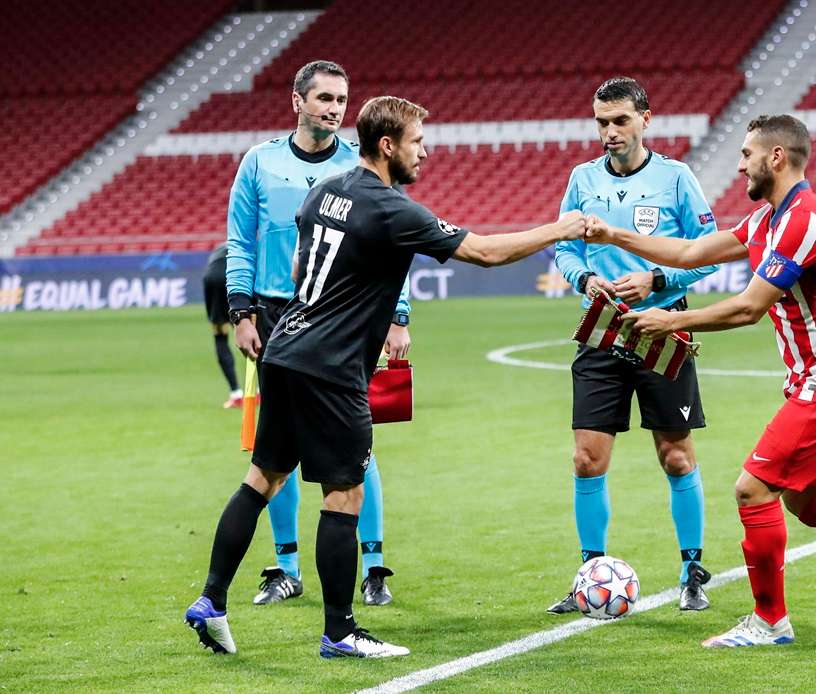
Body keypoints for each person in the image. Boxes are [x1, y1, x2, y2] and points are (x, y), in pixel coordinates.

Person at [184, 95, 587, 658]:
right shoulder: (393, 208)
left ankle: (211, 600)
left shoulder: (324, 190)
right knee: (343, 495)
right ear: (388, 145)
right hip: (332, 370)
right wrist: (561, 229)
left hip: (284, 350)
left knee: (263, 478)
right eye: (419, 142)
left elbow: (302, 267)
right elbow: (487, 252)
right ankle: (340, 631)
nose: (426, 153)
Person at [585, 114, 816, 647]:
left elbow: (750, 307)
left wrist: (673, 319)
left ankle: (769, 622)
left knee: (753, 489)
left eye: (748, 153)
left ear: (777, 157)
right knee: (802, 498)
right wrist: (613, 233)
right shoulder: (767, 220)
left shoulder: (804, 219)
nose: (740, 163)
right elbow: (690, 253)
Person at [225, 60, 411, 607]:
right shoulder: (259, 163)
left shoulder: (362, 167)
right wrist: (240, 310)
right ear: (297, 101)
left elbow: (391, 248)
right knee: (270, 448)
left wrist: (398, 317)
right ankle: (285, 568)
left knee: (357, 445)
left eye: (341, 100)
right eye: (324, 98)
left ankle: (373, 566)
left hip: (344, 314)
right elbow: (240, 240)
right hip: (274, 316)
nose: (334, 109)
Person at [549, 76, 719, 614]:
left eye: (620, 120)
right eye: (601, 121)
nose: (609, 131)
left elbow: (709, 254)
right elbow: (565, 249)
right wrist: (583, 280)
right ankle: (588, 573)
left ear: (646, 119)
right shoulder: (582, 178)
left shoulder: (676, 178)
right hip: (600, 332)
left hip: (662, 329)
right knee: (585, 460)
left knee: (674, 456)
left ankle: (693, 571)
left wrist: (657, 281)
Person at [202, 242, 242, 409]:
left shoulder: (221, 247)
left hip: (211, 278)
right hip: (235, 276)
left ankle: (236, 394)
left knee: (220, 336)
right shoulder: (249, 246)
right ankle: (260, 390)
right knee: (254, 333)